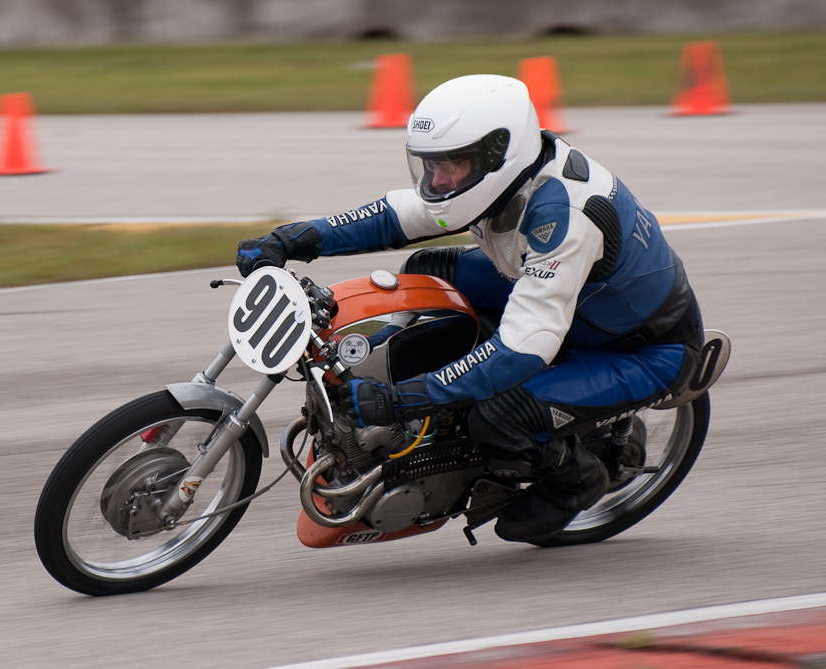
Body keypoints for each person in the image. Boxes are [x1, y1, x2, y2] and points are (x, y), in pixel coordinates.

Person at [236, 74, 704, 543]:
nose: (436, 180)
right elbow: (400, 215)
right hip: (571, 301)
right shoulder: (500, 177)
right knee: (428, 268)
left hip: (640, 348)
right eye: (430, 165)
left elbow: (525, 345)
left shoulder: (565, 217)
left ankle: (576, 480)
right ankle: (414, 368)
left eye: (451, 165)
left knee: (498, 415)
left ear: (498, 154)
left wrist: (403, 400)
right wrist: (295, 238)